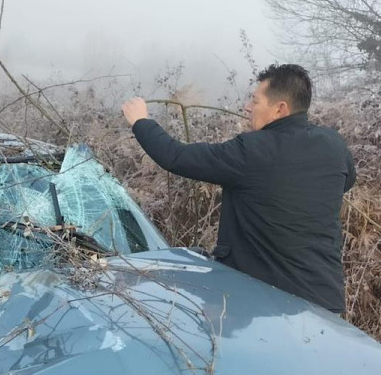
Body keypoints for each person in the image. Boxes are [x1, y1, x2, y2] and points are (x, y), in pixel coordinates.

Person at [122, 64, 355, 314]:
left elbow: (176, 157)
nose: (247, 107)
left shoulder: (252, 151)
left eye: (255, 100)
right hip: (325, 305)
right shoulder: (334, 145)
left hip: (267, 303)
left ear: (280, 109)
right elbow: (346, 181)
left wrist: (141, 121)